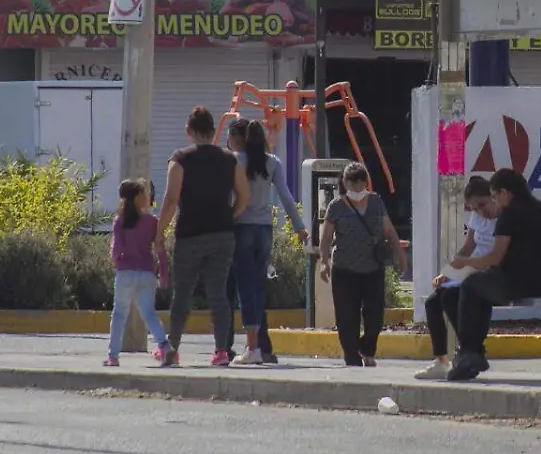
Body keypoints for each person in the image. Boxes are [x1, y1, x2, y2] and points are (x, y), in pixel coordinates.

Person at [157, 106, 250, 367]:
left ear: (189, 131)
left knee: (182, 294)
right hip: (222, 235)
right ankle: (221, 351)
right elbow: (244, 197)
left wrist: (159, 233)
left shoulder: (180, 159)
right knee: (218, 293)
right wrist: (229, 215)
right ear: (213, 132)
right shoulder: (230, 159)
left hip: (189, 234)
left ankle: (172, 349)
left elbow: (171, 199)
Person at [447, 169, 541, 382]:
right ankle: (472, 353)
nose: (496, 202)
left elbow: (495, 257)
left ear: (505, 192)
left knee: (471, 285)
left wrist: (465, 263)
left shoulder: (511, 213)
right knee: (482, 286)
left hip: (516, 282)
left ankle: (470, 351)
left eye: (495, 196)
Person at [225, 118, 308, 366]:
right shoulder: (273, 163)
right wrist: (300, 228)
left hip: (240, 227)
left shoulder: (236, 160)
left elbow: (229, 195)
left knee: (243, 288)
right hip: (264, 230)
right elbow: (286, 196)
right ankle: (260, 345)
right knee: (258, 289)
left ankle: (252, 348)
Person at [317, 162, 408, 367]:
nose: (358, 188)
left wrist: (400, 255)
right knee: (346, 316)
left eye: (361, 183)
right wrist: (324, 262)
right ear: (345, 183)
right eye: (353, 183)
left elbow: (389, 231)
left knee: (374, 315)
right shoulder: (336, 206)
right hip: (344, 269)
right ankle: (351, 354)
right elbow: (326, 238)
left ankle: (367, 349)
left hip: (373, 268)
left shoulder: (376, 202)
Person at [415, 176, 499, 380]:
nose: (480, 212)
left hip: (487, 270)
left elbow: (497, 254)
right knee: (433, 301)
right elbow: (468, 248)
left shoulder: (503, 218)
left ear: (493, 197)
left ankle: (471, 351)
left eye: (482, 204)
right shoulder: (477, 218)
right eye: (474, 209)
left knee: (449, 297)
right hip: (471, 267)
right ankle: (442, 360)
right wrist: (448, 271)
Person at [105, 179, 173, 367]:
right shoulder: (152, 222)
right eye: (143, 194)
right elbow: (160, 248)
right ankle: (165, 346)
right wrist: (164, 273)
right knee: (149, 314)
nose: (147, 197)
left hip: (125, 272)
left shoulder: (120, 220)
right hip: (146, 273)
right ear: (137, 197)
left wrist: (117, 259)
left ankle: (113, 356)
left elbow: (116, 249)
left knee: (119, 314)